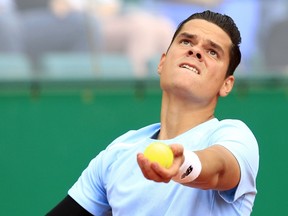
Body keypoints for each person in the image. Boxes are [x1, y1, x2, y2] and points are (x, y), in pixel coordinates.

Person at [47, 10, 259, 216]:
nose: (195, 51)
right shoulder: (118, 153)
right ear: (162, 62)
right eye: (186, 41)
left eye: (212, 51)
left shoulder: (234, 136)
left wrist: (183, 164)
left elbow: (219, 169)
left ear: (227, 84)